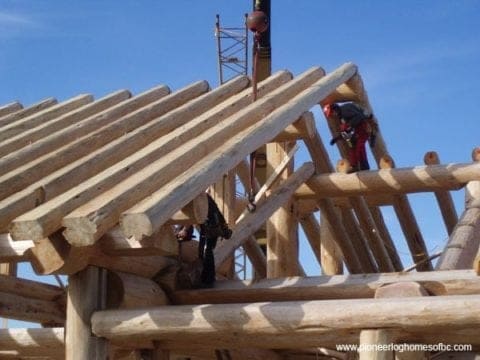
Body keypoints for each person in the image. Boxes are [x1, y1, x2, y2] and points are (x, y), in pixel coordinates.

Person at [323, 102, 377, 173]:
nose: (333, 114)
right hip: (356, 131)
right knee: (354, 146)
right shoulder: (341, 116)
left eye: (332, 112)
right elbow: (345, 130)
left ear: (334, 108)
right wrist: (337, 138)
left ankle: (356, 166)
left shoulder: (345, 110)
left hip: (363, 127)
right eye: (331, 114)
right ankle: (363, 166)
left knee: (357, 147)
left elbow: (360, 117)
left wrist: (351, 126)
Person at [198, 194, 232, 286]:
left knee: (207, 252)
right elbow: (217, 211)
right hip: (209, 228)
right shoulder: (206, 197)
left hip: (211, 228)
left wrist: (223, 225)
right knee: (206, 252)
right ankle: (206, 278)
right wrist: (224, 225)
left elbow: (216, 212)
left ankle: (208, 279)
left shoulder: (203, 198)